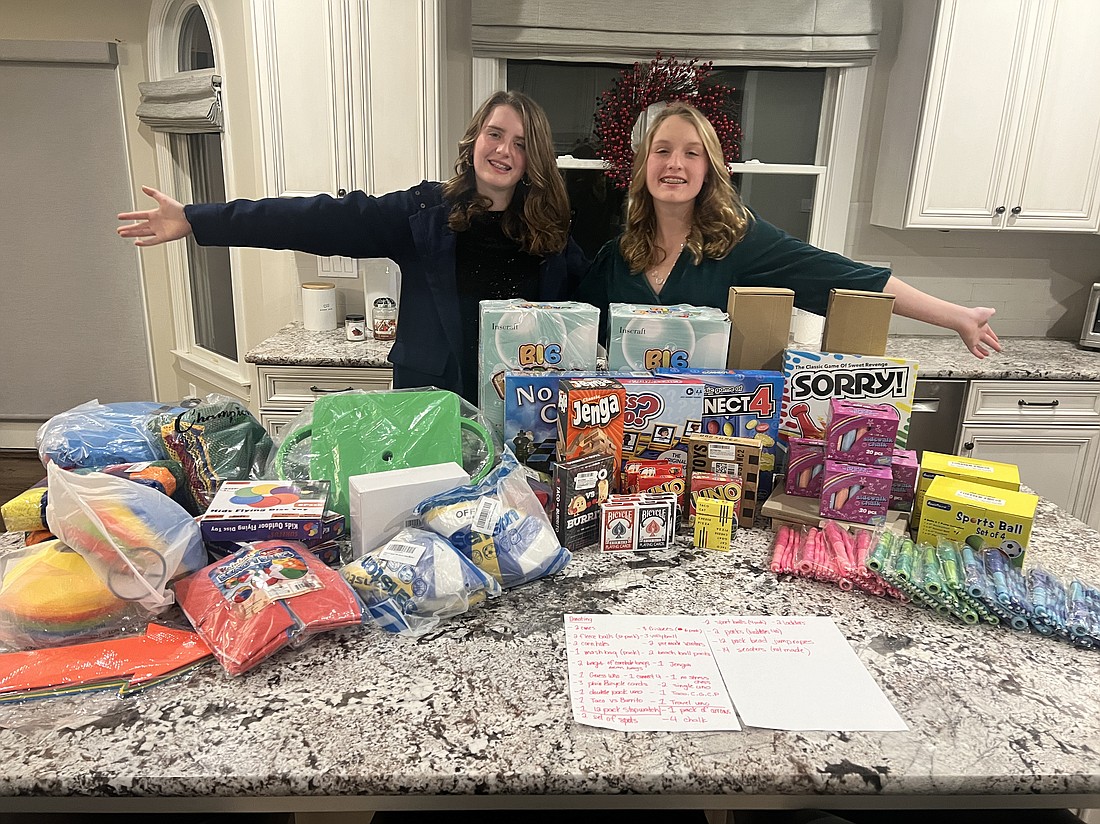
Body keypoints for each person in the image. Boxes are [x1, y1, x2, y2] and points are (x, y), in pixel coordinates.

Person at [117, 91, 589, 403]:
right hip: (431, 401)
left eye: (521, 144)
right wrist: (198, 219)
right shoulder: (424, 213)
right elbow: (318, 220)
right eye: (496, 134)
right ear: (475, 139)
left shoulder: (549, 233)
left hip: (523, 411)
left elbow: (587, 316)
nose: (504, 150)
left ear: (534, 160)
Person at [575, 102, 1001, 359]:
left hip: (705, 430)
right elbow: (575, 325)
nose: (674, 164)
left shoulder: (740, 240)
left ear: (709, 170)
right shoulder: (620, 253)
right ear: (643, 164)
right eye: (662, 151)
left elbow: (846, 276)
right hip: (626, 429)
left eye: (692, 153)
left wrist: (957, 317)